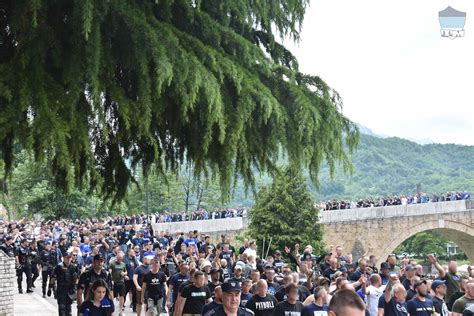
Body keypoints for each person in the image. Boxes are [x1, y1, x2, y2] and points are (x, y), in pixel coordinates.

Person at [51, 251, 80, 316]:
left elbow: (77, 278)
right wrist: (50, 287)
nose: (69, 259)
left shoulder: (73, 267)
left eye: (70, 258)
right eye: (67, 258)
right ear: (63, 258)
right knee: (62, 309)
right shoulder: (59, 266)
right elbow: (53, 277)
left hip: (70, 290)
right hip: (61, 289)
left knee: (68, 310)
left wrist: (76, 288)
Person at [108, 251, 128, 315]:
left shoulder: (123, 264)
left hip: (121, 282)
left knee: (122, 296)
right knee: (112, 296)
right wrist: (110, 279)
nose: (120, 260)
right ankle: (112, 309)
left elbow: (125, 272)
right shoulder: (112, 263)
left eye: (121, 259)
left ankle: (120, 311)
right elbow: (109, 272)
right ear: (117, 257)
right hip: (114, 282)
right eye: (119, 259)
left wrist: (124, 274)